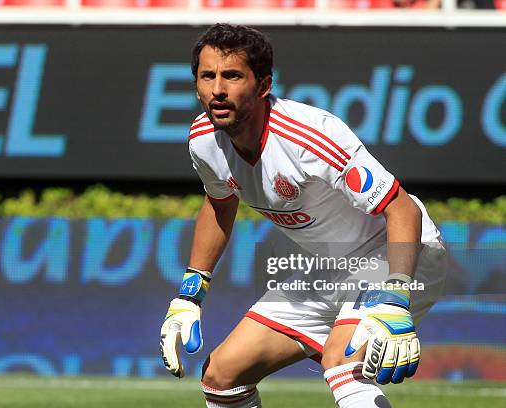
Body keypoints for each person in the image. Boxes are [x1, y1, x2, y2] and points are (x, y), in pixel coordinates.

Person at [160, 23, 446, 408]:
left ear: (263, 84)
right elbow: (219, 203)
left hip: (397, 253)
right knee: (222, 375)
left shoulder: (309, 136)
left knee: (343, 366)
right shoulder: (203, 140)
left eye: (232, 76)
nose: (217, 90)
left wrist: (395, 295)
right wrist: (190, 294)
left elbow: (401, 207)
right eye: (206, 76)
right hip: (329, 265)